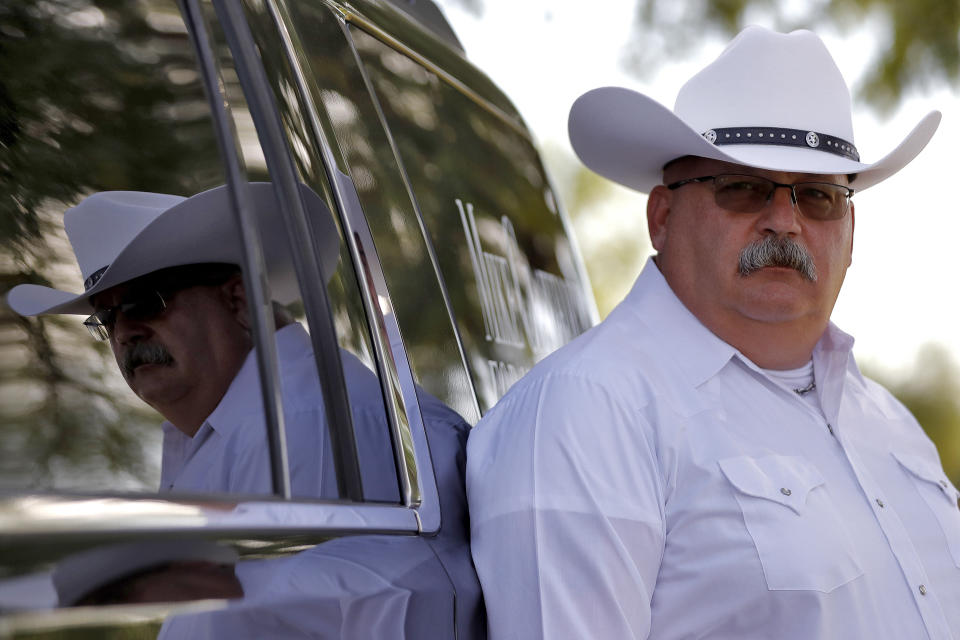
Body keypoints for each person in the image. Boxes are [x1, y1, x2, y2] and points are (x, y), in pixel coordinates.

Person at [466, 26, 960, 639]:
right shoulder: (589, 410)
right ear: (663, 217)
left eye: (818, 197)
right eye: (742, 188)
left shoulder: (890, 424)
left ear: (850, 230)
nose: (785, 220)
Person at [5, 182, 398, 500]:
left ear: (238, 300)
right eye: (106, 317)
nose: (125, 332)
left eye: (144, 303)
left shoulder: (302, 425)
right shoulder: (258, 424)